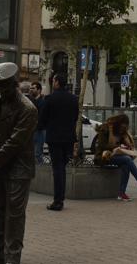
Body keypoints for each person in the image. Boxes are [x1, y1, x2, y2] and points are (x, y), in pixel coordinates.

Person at [0, 62, 37, 264]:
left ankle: (12, 256)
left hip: (19, 168)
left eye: (2, 87)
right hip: (1, 165)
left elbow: (14, 143)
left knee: (14, 215)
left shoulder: (28, 109)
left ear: (12, 84)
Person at [37, 74, 79, 211]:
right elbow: (75, 117)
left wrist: (42, 127)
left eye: (53, 80)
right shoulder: (73, 99)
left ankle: (58, 201)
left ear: (56, 83)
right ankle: (60, 198)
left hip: (54, 138)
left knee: (57, 169)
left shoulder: (50, 99)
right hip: (68, 138)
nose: (52, 82)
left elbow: (42, 119)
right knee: (62, 168)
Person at [94, 114, 137, 202]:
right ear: (117, 123)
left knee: (126, 165)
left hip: (115, 155)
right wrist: (115, 148)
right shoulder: (105, 128)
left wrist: (126, 145)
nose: (123, 128)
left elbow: (127, 144)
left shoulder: (122, 132)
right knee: (127, 159)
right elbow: (101, 145)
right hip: (103, 156)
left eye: (125, 126)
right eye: (122, 125)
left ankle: (121, 193)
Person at [27, 81, 45, 165]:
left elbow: (41, 116)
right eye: (30, 88)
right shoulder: (30, 100)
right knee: (30, 153)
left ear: (39, 90)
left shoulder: (42, 101)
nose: (31, 90)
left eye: (33, 88)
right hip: (31, 130)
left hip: (39, 130)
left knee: (38, 154)